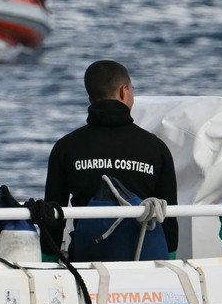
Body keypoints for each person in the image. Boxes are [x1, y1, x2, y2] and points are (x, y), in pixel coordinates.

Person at [42, 60, 179, 260]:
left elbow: (52, 215)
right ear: (124, 91)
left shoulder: (66, 147)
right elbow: (169, 216)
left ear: (90, 97)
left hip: (87, 258)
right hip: (145, 259)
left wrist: (49, 261)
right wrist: (170, 259)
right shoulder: (155, 148)